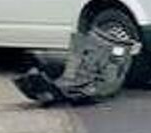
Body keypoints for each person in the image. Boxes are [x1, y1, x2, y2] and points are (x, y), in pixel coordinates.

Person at [12, 22, 140, 106]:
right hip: (94, 79)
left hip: (97, 83)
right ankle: (55, 90)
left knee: (83, 78)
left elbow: (108, 81)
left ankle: (56, 91)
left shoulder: (115, 57)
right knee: (78, 71)